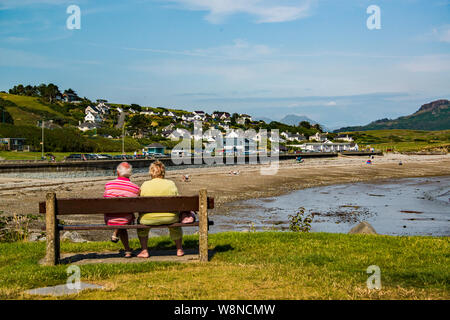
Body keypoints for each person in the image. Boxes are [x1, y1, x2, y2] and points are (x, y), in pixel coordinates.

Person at [137, 161, 185, 258]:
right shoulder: (171, 184)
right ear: (163, 172)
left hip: (148, 218)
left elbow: (139, 202)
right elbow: (178, 201)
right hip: (170, 218)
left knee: (140, 226)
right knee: (175, 227)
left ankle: (144, 250)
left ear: (151, 172)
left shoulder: (145, 184)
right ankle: (179, 249)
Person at [103, 162, 140, 258]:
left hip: (110, 219)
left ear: (117, 173)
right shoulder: (135, 188)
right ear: (130, 174)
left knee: (119, 214)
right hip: (126, 219)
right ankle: (127, 250)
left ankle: (127, 249)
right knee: (124, 216)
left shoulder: (108, 185)